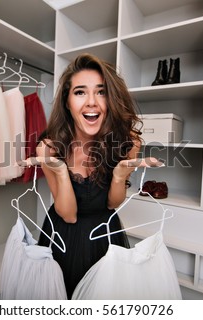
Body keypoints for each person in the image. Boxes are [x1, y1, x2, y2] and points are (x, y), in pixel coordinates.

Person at [20, 53, 162, 298]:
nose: (91, 102)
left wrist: (119, 176)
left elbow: (112, 204)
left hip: (105, 234)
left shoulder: (128, 143)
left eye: (101, 91)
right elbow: (68, 214)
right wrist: (61, 172)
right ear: (67, 102)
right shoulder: (49, 147)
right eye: (80, 92)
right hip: (63, 235)